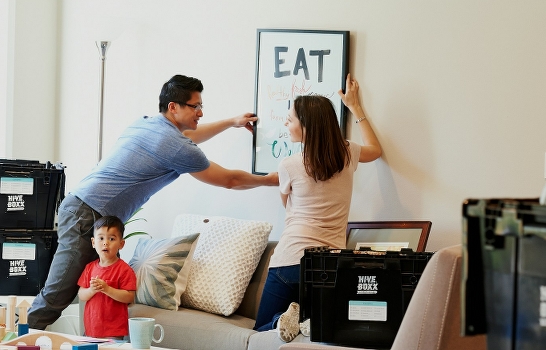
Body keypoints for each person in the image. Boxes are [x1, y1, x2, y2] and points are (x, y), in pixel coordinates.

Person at [27, 74, 279, 330]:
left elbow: (190, 136)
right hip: (88, 215)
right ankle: (17, 341)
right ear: (174, 107)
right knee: (59, 293)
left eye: (201, 107)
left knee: (96, 292)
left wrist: (230, 122)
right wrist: (271, 179)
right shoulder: (176, 146)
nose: (200, 113)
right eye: (196, 106)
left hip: (85, 209)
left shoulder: (147, 123)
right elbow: (230, 180)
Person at [252, 74, 383, 342]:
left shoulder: (289, 165)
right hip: (330, 264)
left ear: (307, 126)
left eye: (291, 119)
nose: (286, 122)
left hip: (289, 260)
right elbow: (376, 150)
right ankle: (306, 320)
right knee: (320, 331)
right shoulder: (347, 153)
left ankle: (285, 320)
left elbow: (287, 205)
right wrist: (355, 107)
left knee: (262, 327)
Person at [77, 216, 136, 339]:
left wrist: (107, 289)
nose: (105, 242)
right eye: (101, 238)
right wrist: (92, 290)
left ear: (121, 244)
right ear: (93, 242)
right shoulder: (89, 268)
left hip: (114, 331)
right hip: (91, 328)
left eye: (111, 238)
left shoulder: (124, 270)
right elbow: (81, 295)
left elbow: (129, 297)